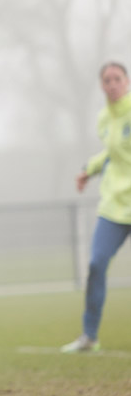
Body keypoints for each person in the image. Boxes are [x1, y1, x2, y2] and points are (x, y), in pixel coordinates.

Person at [62, 61, 131, 353]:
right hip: (115, 206)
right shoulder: (105, 119)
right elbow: (112, 153)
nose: (112, 84)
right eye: (107, 80)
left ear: (127, 81)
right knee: (95, 264)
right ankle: (89, 337)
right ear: (102, 86)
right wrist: (87, 170)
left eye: (117, 78)